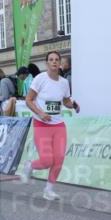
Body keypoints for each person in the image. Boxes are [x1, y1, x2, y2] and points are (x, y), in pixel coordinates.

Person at [19, 51, 80, 201]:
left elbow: (65, 101)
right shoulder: (40, 79)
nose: (54, 62)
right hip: (41, 124)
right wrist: (40, 113)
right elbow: (28, 100)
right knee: (47, 161)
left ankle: (49, 190)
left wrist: (73, 105)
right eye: (51, 60)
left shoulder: (64, 82)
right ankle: (30, 166)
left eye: (57, 60)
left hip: (58, 125)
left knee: (59, 159)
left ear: (60, 63)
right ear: (47, 63)